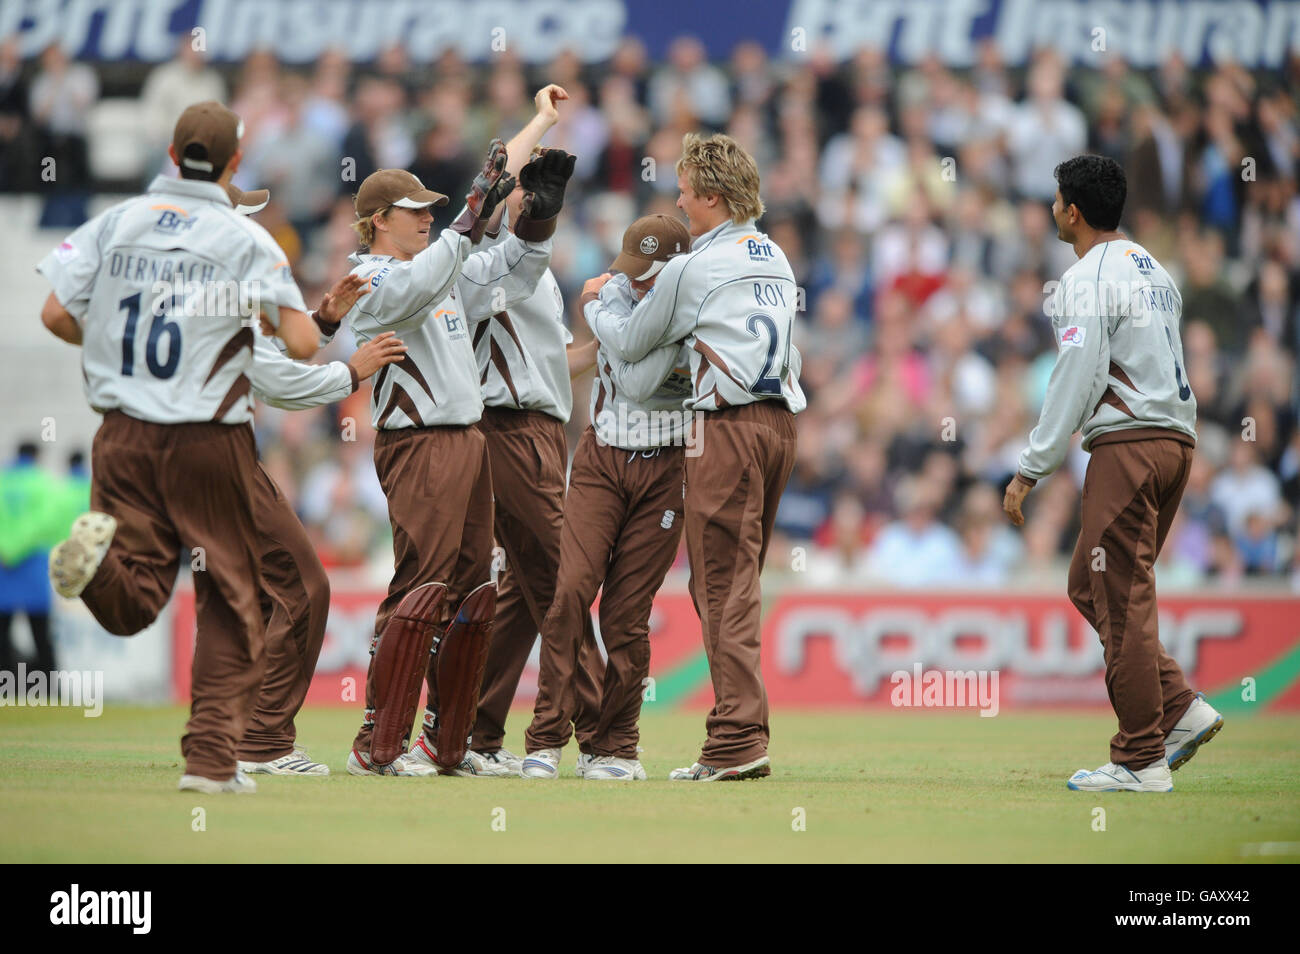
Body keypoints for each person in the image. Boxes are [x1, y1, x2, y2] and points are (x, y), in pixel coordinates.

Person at [35, 101, 319, 795]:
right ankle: (211, 762)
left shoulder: (116, 220)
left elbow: (53, 314)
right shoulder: (244, 236)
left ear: (169, 152)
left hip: (121, 435)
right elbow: (305, 342)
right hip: (204, 437)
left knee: (134, 599)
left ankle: (97, 561)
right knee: (231, 594)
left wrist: (111, 348)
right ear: (233, 162)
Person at [338, 144, 576, 777]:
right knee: (419, 586)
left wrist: (534, 222)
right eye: (413, 210)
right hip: (417, 441)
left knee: (473, 593)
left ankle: (448, 743)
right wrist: (471, 213)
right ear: (377, 220)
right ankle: (377, 741)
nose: (425, 218)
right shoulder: (369, 276)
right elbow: (421, 282)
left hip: (467, 440)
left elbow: (512, 277)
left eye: (430, 210)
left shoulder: (436, 268)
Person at [582, 133, 804, 780]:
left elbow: (628, 344)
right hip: (780, 426)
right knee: (736, 584)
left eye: (685, 190)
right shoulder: (776, 255)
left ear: (712, 195)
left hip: (727, 430)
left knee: (719, 586)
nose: (677, 200)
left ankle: (737, 740)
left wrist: (603, 300)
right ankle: (741, 727)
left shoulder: (691, 267)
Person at [1002, 154, 1224, 793]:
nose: (1051, 209)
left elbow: (1076, 373)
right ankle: (1177, 708)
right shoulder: (1155, 268)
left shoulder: (1084, 276)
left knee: (1122, 601)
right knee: (1090, 584)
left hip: (1128, 446)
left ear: (1072, 210)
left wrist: (1030, 469)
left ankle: (1139, 760)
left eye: (1054, 199)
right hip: (1176, 443)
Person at [229, 183, 408, 777]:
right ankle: (265, 741)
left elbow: (271, 349)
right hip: (216, 447)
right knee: (305, 589)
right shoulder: (234, 269)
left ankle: (222, 732)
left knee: (241, 594)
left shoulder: (176, 270)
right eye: (246, 213)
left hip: (149, 442)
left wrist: (324, 321)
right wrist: (349, 372)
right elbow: (277, 379)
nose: (258, 225)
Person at [464, 84, 605, 778]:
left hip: (545, 430)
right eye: (525, 184)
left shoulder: (535, 273)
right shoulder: (480, 253)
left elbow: (559, 361)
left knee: (525, 594)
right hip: (507, 428)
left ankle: (473, 731)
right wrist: (543, 119)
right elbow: (488, 184)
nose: (535, 191)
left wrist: (624, 334)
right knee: (564, 578)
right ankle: (608, 732)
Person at [522, 213, 692, 781]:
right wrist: (607, 307)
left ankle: (615, 746)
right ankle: (546, 739)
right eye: (631, 271)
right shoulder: (617, 287)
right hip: (601, 459)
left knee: (626, 617)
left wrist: (596, 310)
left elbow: (634, 363)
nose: (635, 283)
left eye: (649, 275)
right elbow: (608, 342)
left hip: (666, 467)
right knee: (570, 591)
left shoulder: (694, 306)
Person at [0, 443, 60, 678]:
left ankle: (4, 688)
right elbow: (45, 523)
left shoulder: (3, 481)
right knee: (41, 633)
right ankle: (47, 688)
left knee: (2, 634)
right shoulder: (43, 483)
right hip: (32, 567)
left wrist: (6, 549)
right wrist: (17, 548)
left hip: (3, 567)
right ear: (35, 456)